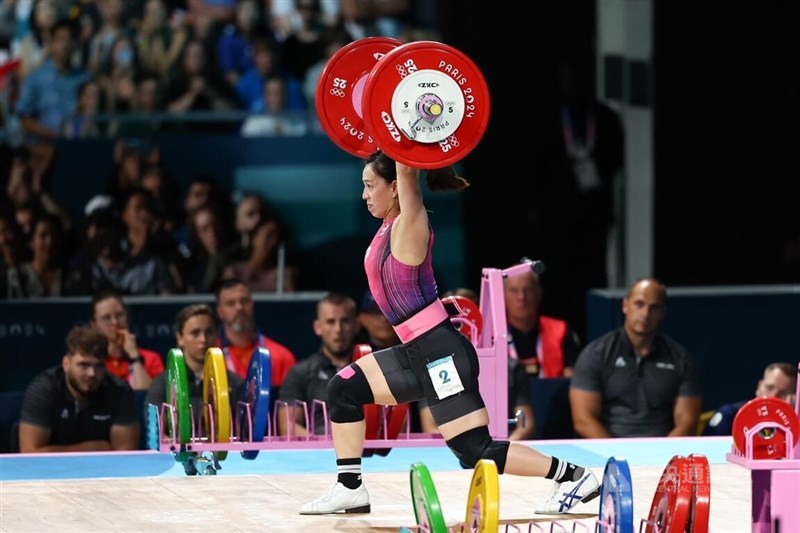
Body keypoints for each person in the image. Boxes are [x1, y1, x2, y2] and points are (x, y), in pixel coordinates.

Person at [299, 151, 600, 516]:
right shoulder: (387, 223)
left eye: (368, 185)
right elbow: (390, 151)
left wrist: (402, 117)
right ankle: (350, 488)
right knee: (343, 388)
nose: (363, 194)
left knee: (475, 450)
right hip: (412, 351)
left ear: (395, 187)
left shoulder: (410, 222)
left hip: (440, 353)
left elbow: (407, 165)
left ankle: (573, 476)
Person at [569, 278, 703, 438]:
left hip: (662, 455)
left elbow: (688, 422)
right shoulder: (595, 354)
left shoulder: (682, 359)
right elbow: (583, 421)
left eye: (654, 307)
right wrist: (617, 457)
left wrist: (663, 457)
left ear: (662, 312)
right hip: (608, 455)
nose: (645, 314)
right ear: (625, 305)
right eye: (639, 304)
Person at [18, 324, 140, 452]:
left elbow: (125, 455)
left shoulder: (119, 390)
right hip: (51, 471)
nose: (92, 373)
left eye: (99, 366)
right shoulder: (44, 390)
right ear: (66, 364)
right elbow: (30, 454)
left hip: (102, 470)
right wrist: (94, 448)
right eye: (84, 365)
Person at [145, 303, 243, 427]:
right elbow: (154, 425)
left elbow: (244, 429)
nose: (203, 339)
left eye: (209, 332)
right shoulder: (163, 383)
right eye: (195, 333)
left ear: (217, 335)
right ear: (180, 338)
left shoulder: (234, 382)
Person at [277, 292, 359, 437]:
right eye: (330, 322)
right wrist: (326, 448)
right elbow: (288, 427)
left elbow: (396, 420)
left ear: (355, 325)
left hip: (370, 454)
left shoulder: (374, 368)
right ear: (318, 327)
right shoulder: (300, 373)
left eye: (345, 321)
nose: (338, 330)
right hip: (318, 456)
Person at [215, 278, 297, 391]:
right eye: (230, 303)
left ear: (252, 304)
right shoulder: (211, 356)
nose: (239, 308)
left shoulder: (282, 357)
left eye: (244, 301)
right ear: (220, 312)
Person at [505, 269, 582, 378]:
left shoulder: (561, 331)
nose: (521, 297)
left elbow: (571, 382)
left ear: (539, 293)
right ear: (502, 295)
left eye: (528, 290)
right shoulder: (490, 336)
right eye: (514, 290)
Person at [90, 289, 165, 391]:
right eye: (107, 318)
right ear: (94, 325)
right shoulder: (92, 362)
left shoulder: (151, 359)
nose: (115, 322)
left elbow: (148, 401)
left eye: (119, 315)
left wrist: (135, 358)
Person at [702, 362, 797, 436]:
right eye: (769, 387)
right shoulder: (730, 415)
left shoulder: (796, 421)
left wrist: (791, 419)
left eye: (783, 393)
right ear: (759, 386)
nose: (773, 396)